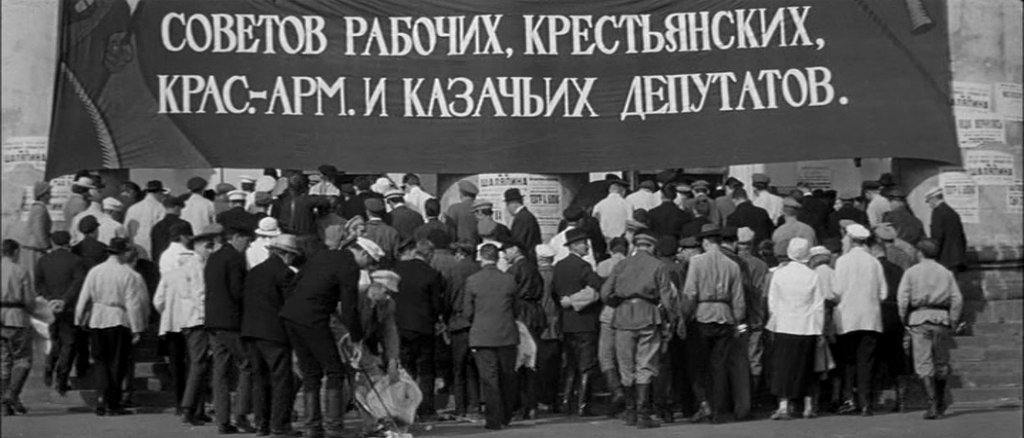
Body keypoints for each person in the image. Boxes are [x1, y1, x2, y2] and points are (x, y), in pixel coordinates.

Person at [280, 237, 381, 438]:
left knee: (310, 372)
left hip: (291, 315)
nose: (368, 267)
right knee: (335, 371)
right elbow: (349, 306)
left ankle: (313, 425)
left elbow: (295, 282)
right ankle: (333, 426)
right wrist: (356, 337)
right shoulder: (350, 267)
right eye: (370, 262)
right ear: (363, 253)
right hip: (314, 317)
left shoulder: (324, 255)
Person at [601, 231, 675, 429]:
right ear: (652, 247)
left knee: (626, 366)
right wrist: (670, 320)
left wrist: (618, 303)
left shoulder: (621, 265)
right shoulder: (658, 265)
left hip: (623, 317)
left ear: (635, 246)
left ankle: (630, 411)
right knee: (645, 364)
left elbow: (605, 293)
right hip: (648, 315)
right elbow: (666, 298)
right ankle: (643, 414)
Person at [74, 238, 149, 416]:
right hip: (118, 318)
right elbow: (132, 303)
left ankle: (101, 397)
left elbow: (84, 296)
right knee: (117, 362)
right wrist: (137, 327)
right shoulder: (128, 274)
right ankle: (113, 401)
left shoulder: (95, 271)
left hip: (97, 318)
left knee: (100, 361)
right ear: (122, 253)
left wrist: (78, 319)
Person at [681, 225, 746, 423]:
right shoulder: (732, 265)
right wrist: (738, 320)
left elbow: (690, 292)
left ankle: (704, 404)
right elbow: (738, 298)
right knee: (720, 366)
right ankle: (719, 410)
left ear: (705, 242)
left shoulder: (697, 262)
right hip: (725, 315)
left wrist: (685, 315)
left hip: (702, 314)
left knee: (699, 364)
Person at [897, 239, 964, 420]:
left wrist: (903, 318)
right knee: (941, 361)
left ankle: (932, 404)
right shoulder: (946, 273)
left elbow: (903, 298)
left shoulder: (911, 272)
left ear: (920, 253)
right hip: (941, 318)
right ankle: (940, 402)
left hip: (919, 317)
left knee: (923, 362)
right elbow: (957, 299)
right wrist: (953, 319)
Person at [242, 234, 301, 436]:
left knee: (260, 380)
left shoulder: (254, 271)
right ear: (286, 254)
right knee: (281, 380)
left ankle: (262, 423)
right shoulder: (285, 273)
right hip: (275, 333)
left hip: (251, 331)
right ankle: (280, 425)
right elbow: (290, 306)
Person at [830, 223, 887, 416]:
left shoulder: (843, 261)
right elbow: (883, 293)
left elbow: (836, 291)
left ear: (850, 239)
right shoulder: (874, 262)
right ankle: (866, 402)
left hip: (848, 318)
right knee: (866, 362)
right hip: (870, 318)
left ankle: (849, 399)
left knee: (848, 361)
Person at [765, 238, 825, 420]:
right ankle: (808, 406)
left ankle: (783, 405)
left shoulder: (779, 274)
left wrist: (775, 320)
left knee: (783, 367)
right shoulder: (813, 275)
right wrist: (819, 329)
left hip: (784, 325)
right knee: (806, 367)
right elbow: (818, 305)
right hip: (807, 326)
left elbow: (772, 302)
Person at [204, 224, 256, 433]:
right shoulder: (235, 258)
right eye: (246, 240)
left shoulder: (214, 258)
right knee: (247, 364)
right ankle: (241, 413)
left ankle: (222, 419)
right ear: (236, 237)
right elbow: (237, 291)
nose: (248, 245)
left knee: (221, 370)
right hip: (231, 320)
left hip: (213, 319)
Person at [465, 244, 520, 430]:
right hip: (506, 334)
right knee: (507, 376)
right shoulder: (509, 279)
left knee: (489, 379)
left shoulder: (472, 280)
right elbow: (516, 309)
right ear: (497, 258)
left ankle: (493, 419)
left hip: (482, 335)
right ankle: (506, 415)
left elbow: (467, 311)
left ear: (481, 258)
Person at [153, 229, 206, 421]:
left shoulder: (169, 275)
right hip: (192, 322)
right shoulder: (198, 273)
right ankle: (195, 406)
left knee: (177, 365)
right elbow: (199, 296)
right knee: (196, 365)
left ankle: (180, 403)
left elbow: (158, 300)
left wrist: (167, 312)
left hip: (172, 324)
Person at [552, 228, 604, 417]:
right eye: (584, 244)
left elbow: (554, 292)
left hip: (567, 322)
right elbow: (599, 286)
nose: (587, 247)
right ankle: (583, 404)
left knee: (571, 365)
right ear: (574, 246)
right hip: (585, 321)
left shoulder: (559, 266)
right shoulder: (583, 266)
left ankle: (566, 402)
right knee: (586, 365)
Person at [393, 239, 444, 420]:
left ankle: (405, 408)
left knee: (406, 368)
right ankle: (426, 409)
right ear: (429, 254)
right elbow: (436, 304)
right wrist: (437, 320)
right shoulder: (432, 274)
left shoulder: (397, 270)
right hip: (423, 327)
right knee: (426, 369)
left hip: (399, 325)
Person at [35, 231, 87, 396]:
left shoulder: (43, 260)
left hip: (50, 307)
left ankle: (49, 366)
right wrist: (65, 300)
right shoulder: (76, 261)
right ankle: (61, 377)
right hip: (69, 308)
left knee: (54, 339)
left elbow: (39, 284)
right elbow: (78, 282)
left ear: (53, 243)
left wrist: (50, 298)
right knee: (69, 343)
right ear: (68, 242)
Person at [504, 241, 546, 419]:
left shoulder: (514, 271)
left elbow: (509, 293)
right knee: (532, 361)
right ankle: (532, 404)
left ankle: (521, 404)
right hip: (535, 314)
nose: (504, 255)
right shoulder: (533, 268)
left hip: (521, 316)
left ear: (515, 249)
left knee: (519, 363)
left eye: (506, 250)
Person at [870, 234, 909, 412]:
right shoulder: (897, 269)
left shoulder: (873, 269)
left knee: (875, 357)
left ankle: (875, 398)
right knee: (897, 357)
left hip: (878, 313)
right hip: (895, 314)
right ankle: (901, 399)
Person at [447, 242, 482, 418]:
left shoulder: (455, 270)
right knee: (474, 367)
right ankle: (475, 405)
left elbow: (449, 296)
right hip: (478, 320)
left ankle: (460, 407)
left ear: (460, 253)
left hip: (459, 321)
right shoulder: (479, 269)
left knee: (459, 368)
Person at [594, 236, 628, 418]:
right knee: (625, 357)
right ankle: (629, 395)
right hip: (627, 315)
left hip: (608, 314)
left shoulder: (603, 266)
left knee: (606, 356)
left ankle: (616, 391)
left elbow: (601, 292)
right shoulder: (632, 265)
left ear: (610, 249)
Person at [1, 240, 36, 415]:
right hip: (16, 317)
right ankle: (11, 393)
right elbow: (29, 300)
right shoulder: (20, 271)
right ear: (15, 252)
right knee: (23, 359)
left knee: (4, 360)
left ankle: (4, 404)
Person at [534, 244, 563, 413]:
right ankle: (552, 398)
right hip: (556, 323)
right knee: (554, 365)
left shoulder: (535, 274)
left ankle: (540, 398)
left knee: (539, 364)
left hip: (539, 323)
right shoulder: (557, 274)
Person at [925, 187, 967, 273]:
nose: (929, 205)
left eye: (929, 201)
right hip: (957, 257)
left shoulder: (937, 212)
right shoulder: (951, 212)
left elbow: (937, 236)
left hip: (945, 258)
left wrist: (932, 254)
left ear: (934, 199)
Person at [16, 182, 52, 284]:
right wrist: (46, 246)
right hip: (35, 248)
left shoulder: (37, 208)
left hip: (33, 247)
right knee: (34, 277)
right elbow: (38, 229)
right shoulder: (40, 209)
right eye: (48, 193)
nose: (50, 196)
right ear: (43, 195)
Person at [124, 180, 167, 260]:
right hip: (152, 247)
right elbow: (161, 230)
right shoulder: (160, 209)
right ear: (159, 192)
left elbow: (126, 230)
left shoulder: (133, 208)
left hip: (135, 247)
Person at [151, 195, 191, 263]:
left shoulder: (157, 226)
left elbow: (155, 249)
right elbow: (189, 245)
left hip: (161, 262)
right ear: (176, 208)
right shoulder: (184, 225)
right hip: (180, 262)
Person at [592, 179, 634, 244]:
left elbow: (595, 221)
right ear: (623, 191)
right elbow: (629, 223)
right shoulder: (627, 204)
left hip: (605, 240)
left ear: (609, 190)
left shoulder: (599, 205)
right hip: (622, 240)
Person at [506, 189, 542, 258]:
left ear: (512, 204)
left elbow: (518, 240)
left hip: (526, 257)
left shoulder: (521, 218)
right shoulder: (526, 215)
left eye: (507, 205)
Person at [364, 198, 401, 265]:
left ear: (367, 212)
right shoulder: (392, 231)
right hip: (388, 266)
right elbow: (396, 254)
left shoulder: (362, 229)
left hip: (367, 266)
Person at [446, 180, 481, 244]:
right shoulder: (480, 208)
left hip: (459, 245)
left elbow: (449, 230)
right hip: (477, 245)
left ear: (461, 194)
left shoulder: (454, 208)